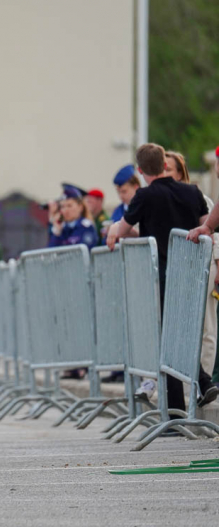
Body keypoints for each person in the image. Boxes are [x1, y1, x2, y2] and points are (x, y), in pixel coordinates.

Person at [109, 143, 217, 411]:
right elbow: (207, 227)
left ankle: (176, 410)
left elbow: (124, 228)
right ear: (164, 164)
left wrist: (112, 231)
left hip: (163, 276)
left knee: (168, 342)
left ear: (141, 170)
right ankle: (201, 383)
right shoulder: (192, 191)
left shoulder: (145, 196)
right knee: (183, 337)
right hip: (191, 273)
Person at [166, 149, 218, 385]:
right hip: (179, 273)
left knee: (205, 327)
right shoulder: (158, 197)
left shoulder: (198, 198)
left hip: (202, 271)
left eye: (169, 169)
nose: (164, 173)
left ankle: (202, 385)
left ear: (180, 173)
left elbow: (213, 234)